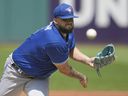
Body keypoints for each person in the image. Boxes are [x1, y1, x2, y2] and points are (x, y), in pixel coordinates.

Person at [0, 3, 95, 96]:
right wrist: (81, 76)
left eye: (70, 18)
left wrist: (88, 60)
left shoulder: (67, 31)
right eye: (65, 19)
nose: (69, 22)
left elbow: (70, 49)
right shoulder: (54, 41)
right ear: (56, 20)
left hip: (39, 78)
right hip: (16, 73)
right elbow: (64, 69)